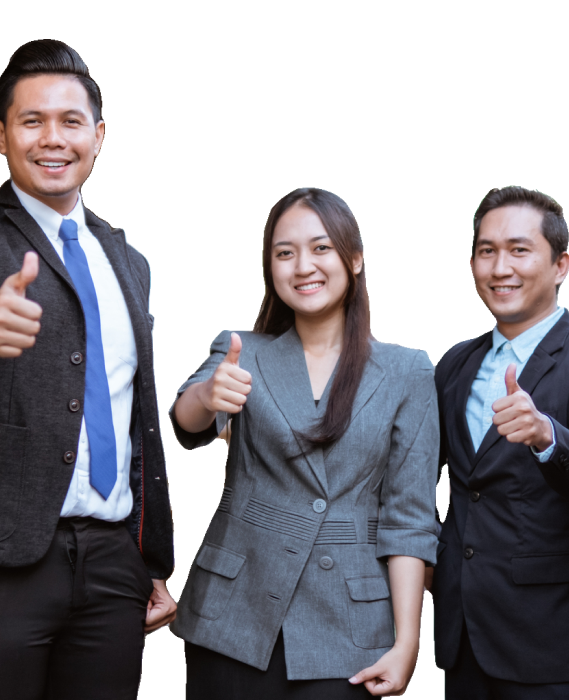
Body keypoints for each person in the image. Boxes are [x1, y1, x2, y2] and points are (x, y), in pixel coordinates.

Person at [0, 39, 177, 699]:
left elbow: (132, 415)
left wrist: (149, 559)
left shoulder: (129, 260)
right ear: (1, 134)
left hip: (113, 564)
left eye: (70, 121)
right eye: (32, 121)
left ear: (98, 136)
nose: (52, 138)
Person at [168, 187, 438, 698]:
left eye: (321, 248)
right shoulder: (242, 351)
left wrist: (408, 641)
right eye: (284, 253)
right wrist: (207, 394)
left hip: (347, 626)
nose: (303, 266)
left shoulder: (408, 371)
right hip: (232, 613)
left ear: (354, 259)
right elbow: (188, 419)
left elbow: (409, 518)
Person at [429, 186, 569, 699]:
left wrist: (546, 435)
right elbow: (427, 478)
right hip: (463, 636)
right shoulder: (454, 364)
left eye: (519, 250)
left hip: (555, 642)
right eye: (487, 251)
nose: (500, 268)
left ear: (561, 265)